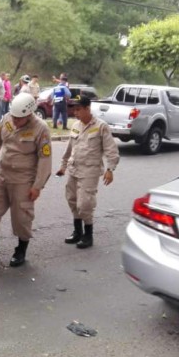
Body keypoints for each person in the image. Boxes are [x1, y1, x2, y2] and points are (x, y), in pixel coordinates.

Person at [0, 93, 52, 267]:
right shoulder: (7, 119)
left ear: (30, 114)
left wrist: (38, 186)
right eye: (13, 116)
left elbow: (45, 159)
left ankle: (21, 251)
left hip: (24, 178)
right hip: (3, 174)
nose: (15, 121)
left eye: (19, 119)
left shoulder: (41, 128)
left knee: (21, 217)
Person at [55, 95, 120, 249]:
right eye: (73, 109)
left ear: (87, 109)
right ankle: (77, 232)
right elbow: (70, 148)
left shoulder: (101, 126)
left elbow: (112, 150)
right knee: (71, 199)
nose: (75, 113)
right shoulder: (75, 125)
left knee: (84, 204)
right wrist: (63, 166)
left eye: (78, 109)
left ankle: (88, 235)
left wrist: (110, 169)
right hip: (73, 168)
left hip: (90, 170)